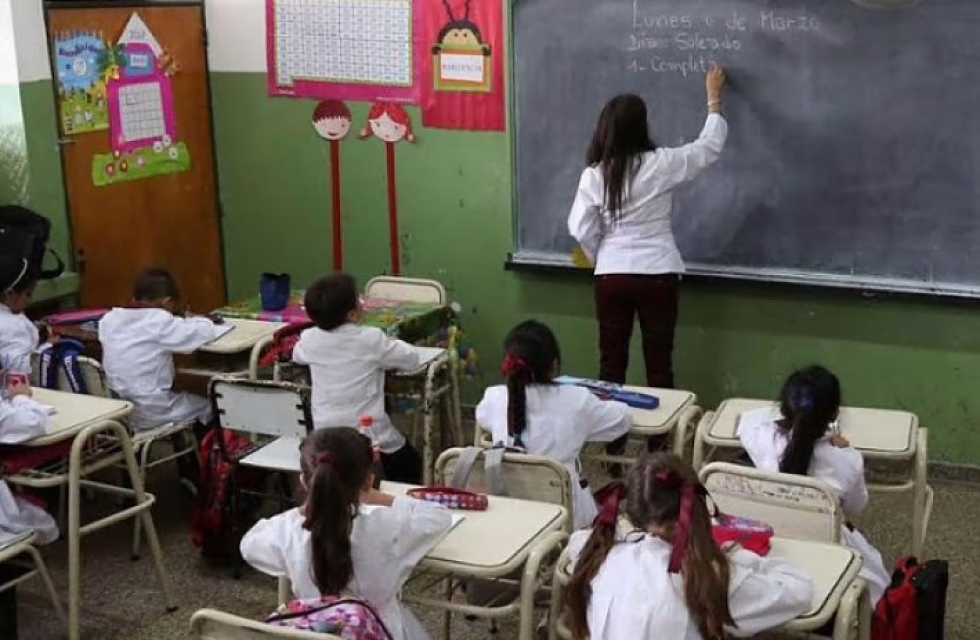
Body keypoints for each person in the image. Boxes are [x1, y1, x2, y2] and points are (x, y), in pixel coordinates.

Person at [567, 68, 728, 391]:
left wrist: (603, 255)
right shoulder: (661, 164)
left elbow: (580, 227)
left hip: (611, 276)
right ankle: (660, 441)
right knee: (659, 363)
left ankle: (614, 440)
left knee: (611, 363)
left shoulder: (595, 175)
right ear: (642, 127)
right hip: (658, 272)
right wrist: (714, 101)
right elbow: (707, 148)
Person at [565, 452, 813, 640]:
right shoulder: (709, 578)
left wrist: (625, 533)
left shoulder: (602, 556)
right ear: (697, 507)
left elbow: (576, 542)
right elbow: (800, 591)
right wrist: (743, 557)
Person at [240, 427, 452, 640]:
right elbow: (439, 517)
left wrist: (306, 509)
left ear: (305, 482)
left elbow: (249, 545)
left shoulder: (287, 531)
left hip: (312, 633)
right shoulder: (389, 526)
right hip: (379, 630)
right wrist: (378, 497)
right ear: (368, 481)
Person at [737, 365, 890, 604]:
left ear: (784, 408)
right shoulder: (847, 459)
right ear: (834, 414)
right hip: (827, 549)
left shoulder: (762, 441)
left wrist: (791, 416)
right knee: (875, 572)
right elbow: (854, 508)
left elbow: (748, 420)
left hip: (769, 545)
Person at [475, 320, 632, 528]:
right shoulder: (577, 400)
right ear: (554, 365)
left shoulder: (495, 397)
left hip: (510, 513)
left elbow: (482, 417)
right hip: (566, 519)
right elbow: (622, 419)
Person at [293, 273, 429, 483]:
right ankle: (397, 502)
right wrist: (391, 342)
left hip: (324, 434)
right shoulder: (370, 338)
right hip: (369, 432)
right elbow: (411, 359)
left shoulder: (309, 339)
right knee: (409, 463)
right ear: (353, 314)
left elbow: (297, 354)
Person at [99, 268, 227, 429]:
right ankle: (207, 452)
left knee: (183, 398)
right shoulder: (158, 321)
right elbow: (203, 332)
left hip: (120, 412)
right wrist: (199, 320)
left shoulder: (109, 319)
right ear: (167, 303)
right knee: (211, 407)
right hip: (152, 410)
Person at [0, 255, 42, 375]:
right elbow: (19, 368)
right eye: (27, 294)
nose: (30, 299)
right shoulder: (12, 326)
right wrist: (47, 347)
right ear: (10, 294)